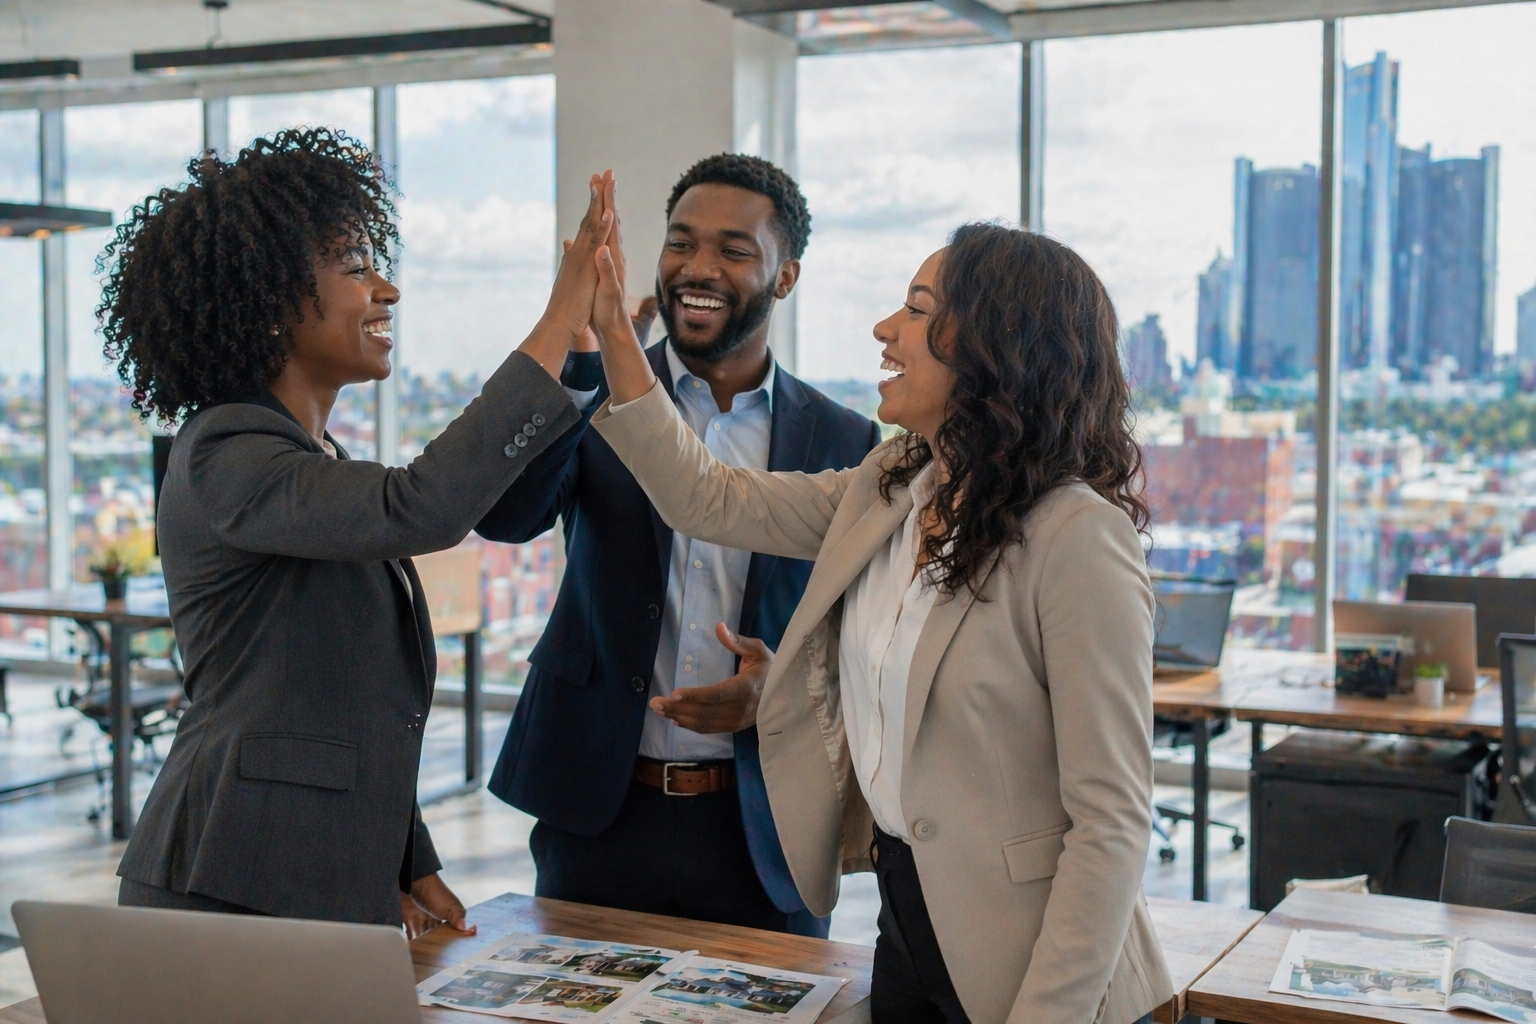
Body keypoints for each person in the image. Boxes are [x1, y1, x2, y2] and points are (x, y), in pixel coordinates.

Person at [582, 195, 1174, 1024]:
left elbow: (1111, 823)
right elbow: (703, 497)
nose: (884, 330)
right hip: (908, 923)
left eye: (918, 310)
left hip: (1041, 970)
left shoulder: (1078, 536)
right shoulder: (892, 484)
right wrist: (615, 336)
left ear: (997, 347)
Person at [105, 128, 614, 932]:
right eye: (355, 268)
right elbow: (424, 506)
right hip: (223, 880)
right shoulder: (224, 453)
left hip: (305, 872)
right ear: (271, 299)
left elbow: (337, 702)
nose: (387, 291)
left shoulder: (312, 455)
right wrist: (555, 317)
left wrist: (404, 857)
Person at [475, 154, 880, 937]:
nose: (698, 268)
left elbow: (860, 640)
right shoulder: (594, 400)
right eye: (680, 242)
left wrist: (780, 695)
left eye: (733, 250)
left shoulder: (843, 439)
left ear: (785, 277)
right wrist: (579, 357)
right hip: (598, 809)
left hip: (763, 828)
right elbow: (505, 515)